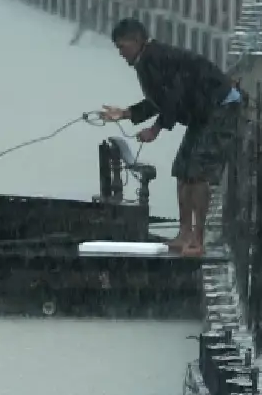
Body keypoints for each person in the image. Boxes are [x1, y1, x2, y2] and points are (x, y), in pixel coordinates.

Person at [99, 18, 244, 257]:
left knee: (197, 173)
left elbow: (174, 96)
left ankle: (198, 239)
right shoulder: (147, 60)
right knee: (182, 170)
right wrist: (125, 113)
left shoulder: (153, 58)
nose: (121, 54)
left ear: (136, 41)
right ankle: (184, 233)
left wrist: (155, 130)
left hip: (220, 107)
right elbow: (159, 100)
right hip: (202, 112)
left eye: (122, 47)